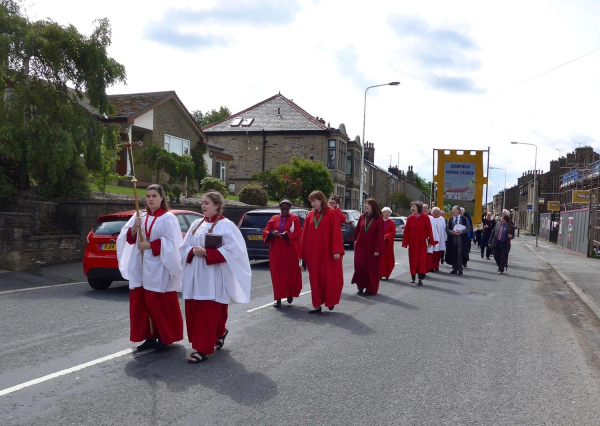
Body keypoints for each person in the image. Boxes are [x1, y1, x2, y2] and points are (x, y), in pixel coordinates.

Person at [179, 191, 252, 363]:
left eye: (207, 203)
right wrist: (192, 251)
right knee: (196, 309)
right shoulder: (196, 224)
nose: (203, 206)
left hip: (214, 275)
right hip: (196, 273)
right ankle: (220, 332)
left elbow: (235, 251)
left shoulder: (226, 225)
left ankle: (202, 349)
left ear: (217, 205)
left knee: (209, 310)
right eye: (202, 203)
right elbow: (184, 246)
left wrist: (208, 253)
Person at [116, 184, 184, 353]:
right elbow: (130, 240)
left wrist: (151, 244)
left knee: (158, 303)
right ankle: (149, 336)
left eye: (154, 196)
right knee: (142, 303)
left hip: (159, 266)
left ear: (162, 198)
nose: (151, 199)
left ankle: (164, 336)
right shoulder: (140, 216)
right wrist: (133, 229)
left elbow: (173, 243)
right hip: (140, 265)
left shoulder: (168, 218)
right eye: (148, 196)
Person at [299, 190, 345, 313]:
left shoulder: (332, 213)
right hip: (312, 254)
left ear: (321, 200)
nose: (312, 203)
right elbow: (304, 234)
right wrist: (302, 254)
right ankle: (317, 305)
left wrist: (337, 250)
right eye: (311, 201)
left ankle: (330, 301)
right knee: (314, 279)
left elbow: (336, 232)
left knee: (328, 278)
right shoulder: (309, 215)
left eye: (314, 201)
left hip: (327, 253)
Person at [263, 199, 303, 308]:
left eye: (286, 208)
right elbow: (266, 231)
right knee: (277, 275)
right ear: (280, 208)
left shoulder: (294, 218)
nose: (284, 210)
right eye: (282, 208)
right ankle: (278, 299)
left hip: (289, 251)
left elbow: (298, 233)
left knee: (290, 274)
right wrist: (272, 233)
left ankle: (290, 294)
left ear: (289, 208)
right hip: (276, 251)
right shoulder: (274, 218)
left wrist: (287, 235)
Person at [352, 199, 385, 295]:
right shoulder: (362, 217)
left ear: (373, 207)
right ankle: (360, 286)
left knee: (371, 269)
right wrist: (355, 241)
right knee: (359, 266)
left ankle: (371, 288)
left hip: (372, 248)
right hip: (361, 247)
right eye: (366, 204)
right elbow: (357, 230)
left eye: (369, 204)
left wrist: (378, 249)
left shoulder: (379, 219)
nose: (366, 206)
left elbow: (380, 236)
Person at [402, 201, 435, 285]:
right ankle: (413, 277)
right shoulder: (410, 218)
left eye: (414, 207)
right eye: (411, 207)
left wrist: (431, 240)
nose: (412, 208)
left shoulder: (425, 218)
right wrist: (405, 242)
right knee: (413, 260)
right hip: (412, 243)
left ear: (418, 208)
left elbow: (429, 230)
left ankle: (420, 278)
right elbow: (406, 231)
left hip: (422, 243)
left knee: (421, 260)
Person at [445, 205, 471, 275]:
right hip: (453, 240)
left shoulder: (464, 219)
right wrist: (453, 233)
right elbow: (447, 229)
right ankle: (454, 269)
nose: (452, 211)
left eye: (454, 210)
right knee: (453, 254)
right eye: (452, 210)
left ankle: (460, 269)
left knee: (459, 254)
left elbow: (469, 228)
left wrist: (461, 232)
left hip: (461, 240)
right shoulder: (450, 219)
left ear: (458, 211)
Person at [428, 207, 447, 272]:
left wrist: (445, 238)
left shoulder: (442, 219)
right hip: (432, 238)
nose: (437, 213)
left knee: (438, 254)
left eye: (438, 212)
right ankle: (431, 267)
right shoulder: (430, 218)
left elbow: (444, 228)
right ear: (432, 213)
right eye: (435, 212)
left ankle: (436, 266)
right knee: (432, 253)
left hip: (440, 239)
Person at [380, 207, 396, 280]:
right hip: (380, 243)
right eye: (385, 212)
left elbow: (393, 232)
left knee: (388, 258)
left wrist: (386, 236)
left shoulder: (391, 223)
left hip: (388, 244)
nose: (386, 214)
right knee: (380, 258)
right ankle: (379, 273)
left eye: (388, 212)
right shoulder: (379, 221)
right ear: (382, 213)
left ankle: (387, 273)